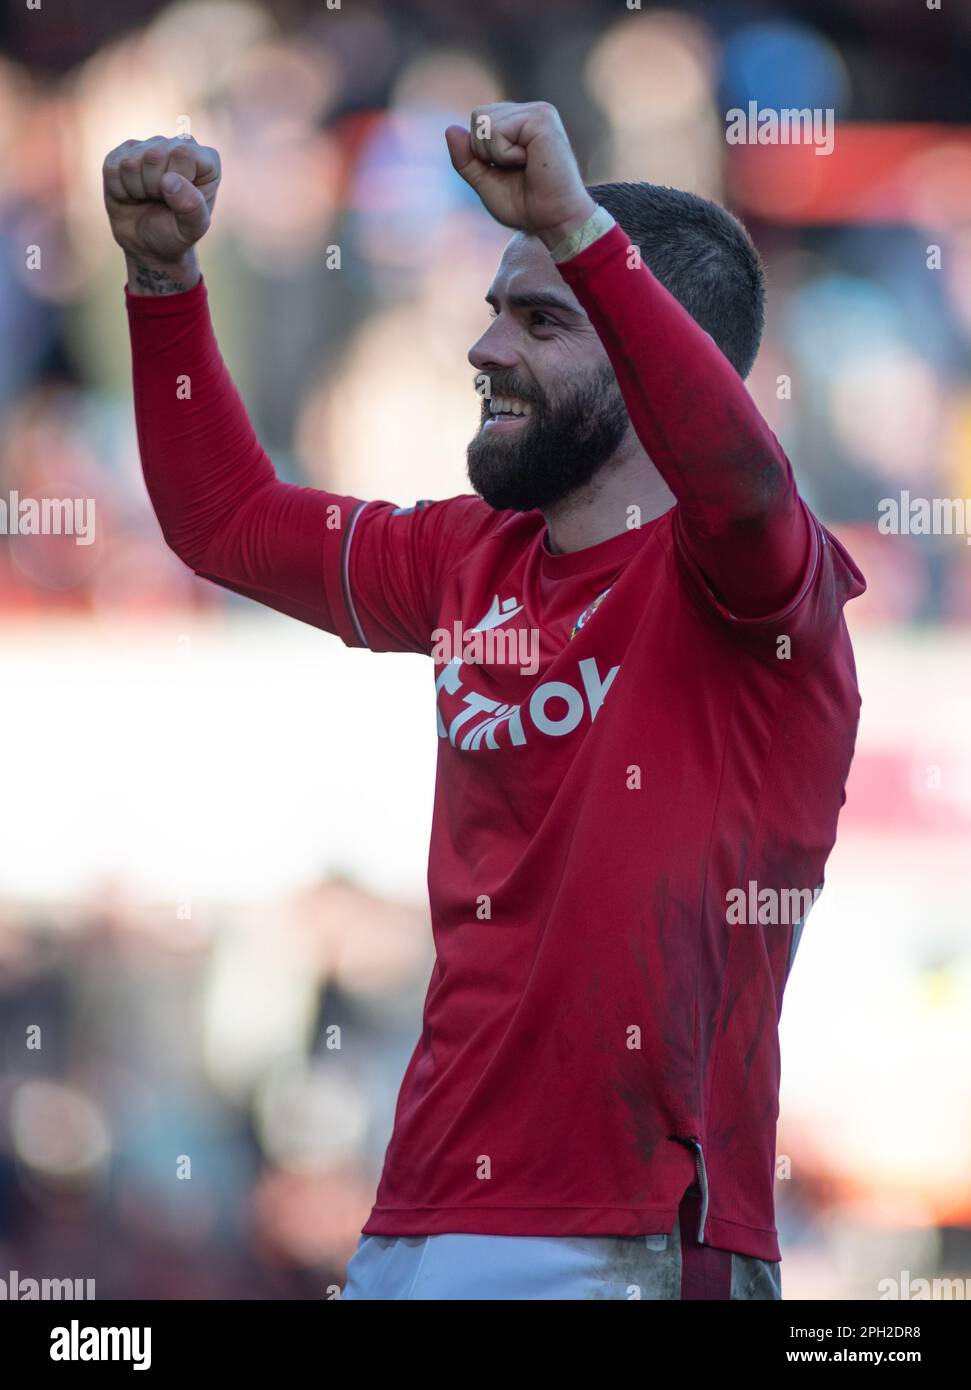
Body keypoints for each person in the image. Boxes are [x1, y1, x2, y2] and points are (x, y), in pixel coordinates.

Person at [104, 101, 865, 1300]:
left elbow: (734, 480)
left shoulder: (761, 586)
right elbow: (225, 522)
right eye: (496, 311)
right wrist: (162, 281)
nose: (486, 349)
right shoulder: (474, 558)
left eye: (543, 319)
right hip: (416, 1212)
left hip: (628, 1235)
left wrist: (573, 222)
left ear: (658, 353)